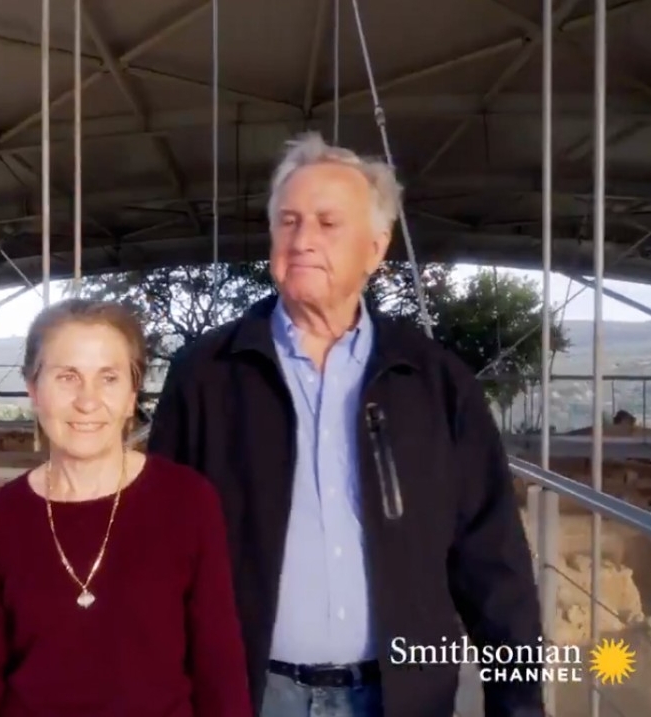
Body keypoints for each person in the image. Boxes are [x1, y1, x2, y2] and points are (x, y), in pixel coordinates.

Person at [147, 132, 545, 717]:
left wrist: (519, 707)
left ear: (376, 248)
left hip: (402, 698)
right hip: (249, 696)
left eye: (328, 223)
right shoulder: (206, 375)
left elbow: (494, 562)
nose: (303, 240)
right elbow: (158, 551)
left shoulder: (435, 381)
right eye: (288, 221)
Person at [0, 299, 252, 717]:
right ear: (34, 390)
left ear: (131, 394)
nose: (87, 401)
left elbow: (219, 667)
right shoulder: (2, 514)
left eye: (108, 378)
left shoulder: (188, 500)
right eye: (67, 377)